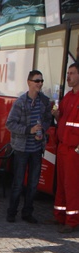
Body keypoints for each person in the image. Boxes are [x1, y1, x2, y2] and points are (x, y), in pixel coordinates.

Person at [5, 70, 52, 224]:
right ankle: (12, 212)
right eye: (37, 81)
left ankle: (27, 212)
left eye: (41, 81)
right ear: (29, 82)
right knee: (18, 183)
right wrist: (28, 130)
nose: (40, 84)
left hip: (37, 148)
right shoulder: (21, 102)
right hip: (22, 149)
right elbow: (10, 124)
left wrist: (42, 130)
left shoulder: (44, 101)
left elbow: (47, 120)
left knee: (33, 183)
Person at [52, 61, 79, 233]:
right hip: (62, 147)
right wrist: (56, 115)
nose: (68, 76)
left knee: (72, 186)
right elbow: (61, 119)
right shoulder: (68, 97)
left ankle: (72, 220)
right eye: (68, 73)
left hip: (73, 150)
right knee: (61, 184)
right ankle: (60, 215)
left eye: (72, 73)